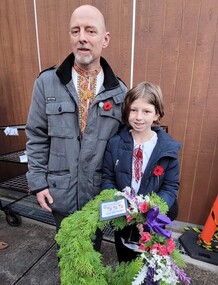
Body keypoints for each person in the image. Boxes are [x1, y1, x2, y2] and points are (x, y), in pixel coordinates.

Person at [25, 4, 127, 233]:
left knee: (93, 256)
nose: (82, 37)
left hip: (97, 194)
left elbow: (125, 146)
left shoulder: (119, 92)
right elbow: (37, 136)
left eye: (90, 31)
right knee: (67, 254)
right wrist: (38, 182)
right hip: (60, 192)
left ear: (105, 39)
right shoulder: (46, 83)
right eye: (75, 31)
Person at [101, 81, 181, 262]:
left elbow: (170, 187)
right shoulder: (115, 144)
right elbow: (107, 178)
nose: (138, 117)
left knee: (151, 264)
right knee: (125, 259)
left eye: (146, 111)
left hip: (154, 220)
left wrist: (150, 212)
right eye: (133, 110)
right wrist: (121, 206)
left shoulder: (168, 149)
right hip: (124, 220)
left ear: (157, 114)